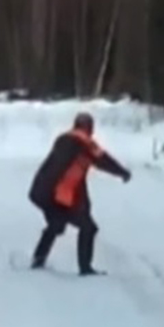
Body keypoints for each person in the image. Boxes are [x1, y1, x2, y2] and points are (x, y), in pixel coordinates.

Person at [28, 112, 131, 275]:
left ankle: (38, 260)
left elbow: (70, 175)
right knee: (88, 228)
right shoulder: (85, 144)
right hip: (58, 195)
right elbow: (103, 160)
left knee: (56, 225)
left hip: (42, 192)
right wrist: (122, 172)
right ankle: (85, 268)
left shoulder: (63, 139)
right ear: (90, 128)